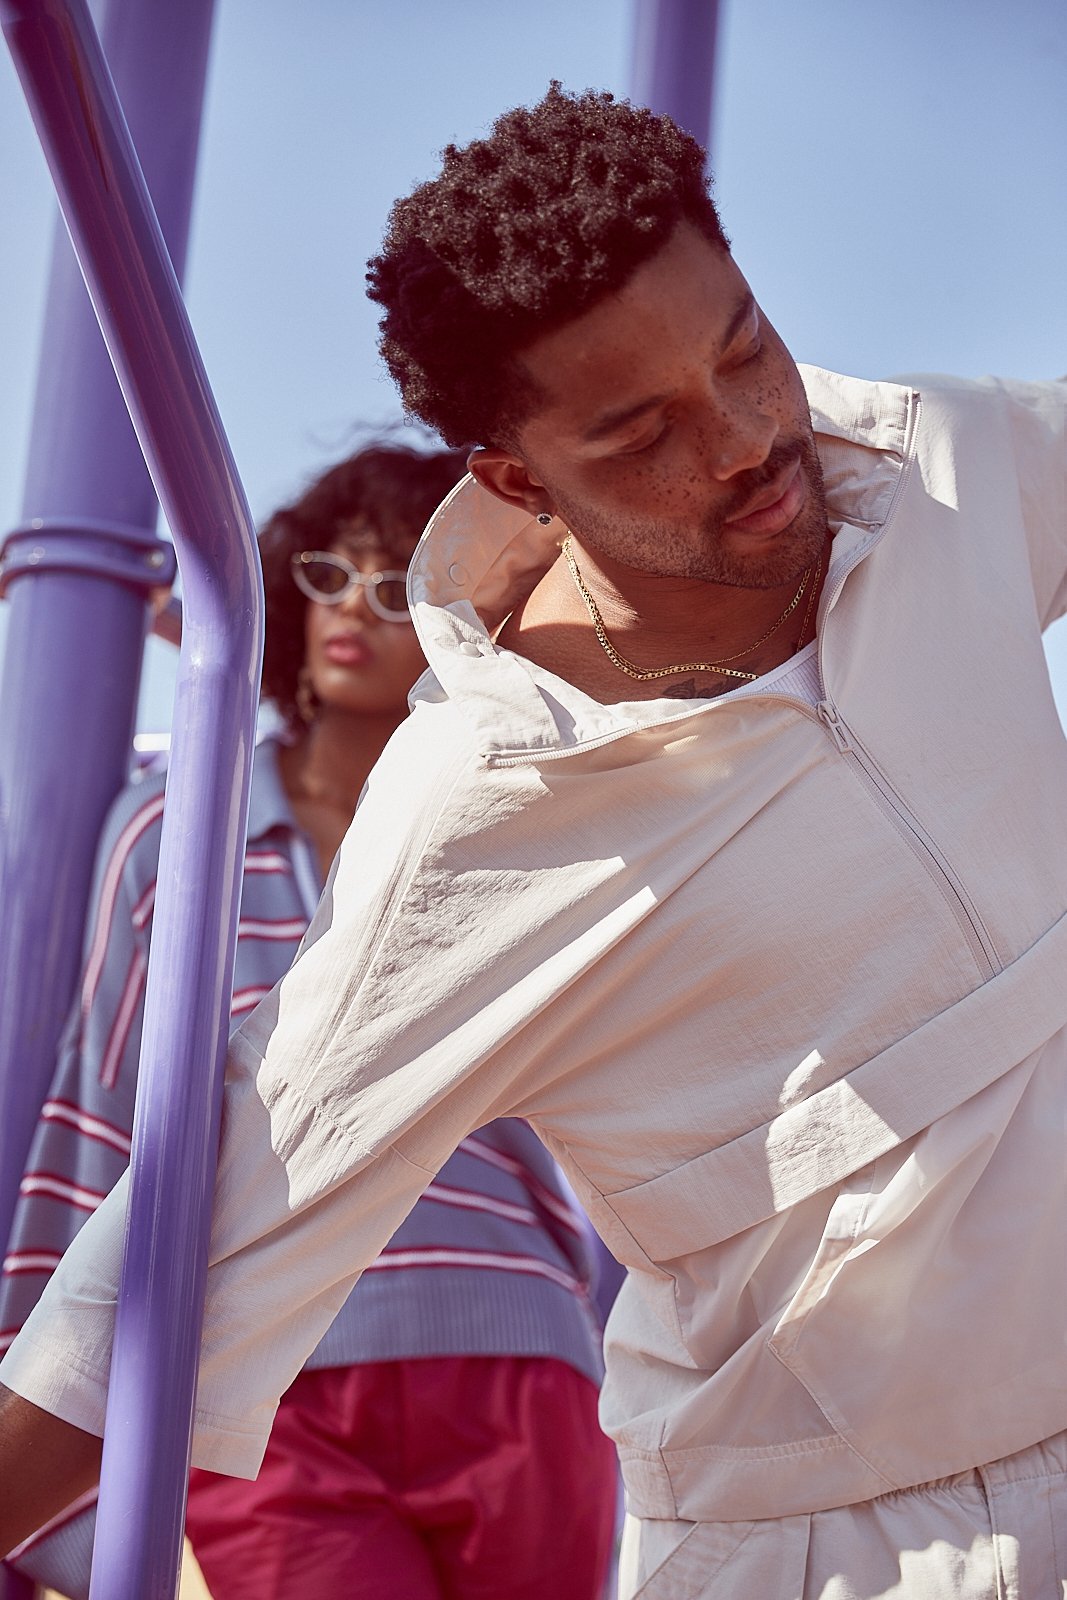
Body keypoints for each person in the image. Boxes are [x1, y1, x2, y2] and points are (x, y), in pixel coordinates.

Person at [2, 83, 1066, 1598]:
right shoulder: (480, 818)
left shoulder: (937, 465)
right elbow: (178, 1260)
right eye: (639, 433)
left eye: (742, 347)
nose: (747, 438)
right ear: (517, 480)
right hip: (857, 1538)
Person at [0, 442, 617, 1600]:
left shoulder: (519, 832)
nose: (351, 610)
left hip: (518, 1333)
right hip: (257, 1369)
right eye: (328, 575)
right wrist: (47, 1374)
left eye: (395, 587)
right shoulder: (174, 825)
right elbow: (108, 1095)